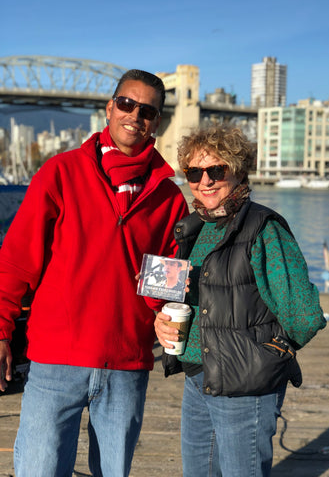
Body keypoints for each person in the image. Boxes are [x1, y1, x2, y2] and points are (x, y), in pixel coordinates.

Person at [0, 69, 189, 477]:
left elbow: (164, 284)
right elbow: (18, 260)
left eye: (147, 111)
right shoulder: (61, 173)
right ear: (109, 108)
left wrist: (164, 311)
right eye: (126, 103)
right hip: (55, 359)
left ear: (156, 122)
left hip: (126, 363)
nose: (134, 116)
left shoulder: (169, 197)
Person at [154, 123, 326, 477]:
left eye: (217, 170)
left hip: (246, 387)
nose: (206, 181)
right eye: (195, 172)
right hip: (197, 377)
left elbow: (304, 315)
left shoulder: (264, 228)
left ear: (238, 171)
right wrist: (163, 321)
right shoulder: (198, 227)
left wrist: (265, 358)